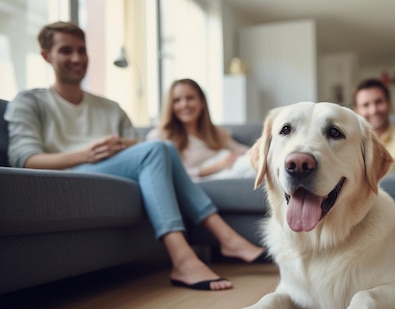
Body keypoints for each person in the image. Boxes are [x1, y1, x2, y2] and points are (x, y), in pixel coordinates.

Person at [5, 21, 265, 291]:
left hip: (113, 167)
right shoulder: (29, 101)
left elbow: (142, 147)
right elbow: (24, 160)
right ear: (46, 56)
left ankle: (226, 241)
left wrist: (121, 146)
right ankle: (186, 258)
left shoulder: (109, 108)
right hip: (73, 170)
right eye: (66, 50)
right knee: (159, 148)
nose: (77, 58)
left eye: (82, 50)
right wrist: (85, 154)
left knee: (163, 149)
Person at [146, 78, 255, 182]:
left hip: (234, 169)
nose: (184, 104)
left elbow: (241, 150)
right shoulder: (159, 137)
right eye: (177, 100)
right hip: (210, 178)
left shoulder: (215, 132)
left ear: (201, 102)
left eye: (190, 98)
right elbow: (167, 173)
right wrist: (216, 167)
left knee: (255, 163)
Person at [353, 78, 395, 173]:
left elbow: (391, 171)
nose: (374, 110)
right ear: (356, 111)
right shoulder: (351, 140)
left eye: (379, 102)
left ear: (389, 104)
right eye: (366, 105)